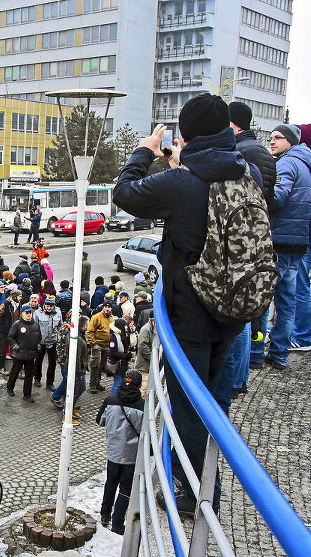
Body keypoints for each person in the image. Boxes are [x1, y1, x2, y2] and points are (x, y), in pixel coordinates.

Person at [112, 93, 264, 516]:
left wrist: (144, 151)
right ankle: (198, 481)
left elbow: (126, 193)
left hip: (194, 311)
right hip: (235, 307)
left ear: (186, 132)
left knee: (189, 406)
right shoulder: (243, 169)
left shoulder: (183, 181)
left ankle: (198, 495)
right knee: (210, 394)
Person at [258, 123, 311, 369]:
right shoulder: (305, 163)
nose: (272, 141)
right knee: (287, 301)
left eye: (277, 138)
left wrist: (260, 191)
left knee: (262, 298)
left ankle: (257, 352)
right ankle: (279, 353)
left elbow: (278, 198)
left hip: (279, 241)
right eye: (270, 137)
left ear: (289, 141)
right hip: (298, 242)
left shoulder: (287, 163)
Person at [97, 369, 145, 535]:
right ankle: (117, 523)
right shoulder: (142, 406)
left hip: (113, 452)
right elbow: (145, 432)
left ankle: (104, 515)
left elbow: (100, 421)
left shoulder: (110, 400)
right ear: (139, 386)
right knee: (125, 489)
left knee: (110, 483)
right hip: (131, 456)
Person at [7, 304, 41, 402]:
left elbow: (39, 337)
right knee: (15, 372)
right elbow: (10, 336)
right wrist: (14, 346)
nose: (29, 315)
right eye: (27, 313)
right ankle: (10, 388)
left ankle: (27, 394)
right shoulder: (17, 324)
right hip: (19, 354)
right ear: (22, 314)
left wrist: (38, 345)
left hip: (31, 355)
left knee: (29, 376)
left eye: (30, 313)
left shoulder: (36, 325)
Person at [33, 295, 61, 390]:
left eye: (51, 306)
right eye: (47, 306)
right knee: (38, 361)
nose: (49, 308)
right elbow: (34, 327)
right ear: (44, 305)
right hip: (41, 341)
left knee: (52, 362)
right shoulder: (37, 313)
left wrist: (57, 335)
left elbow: (60, 325)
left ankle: (50, 383)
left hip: (52, 342)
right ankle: (37, 378)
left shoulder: (58, 312)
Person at [86, 301, 114, 393]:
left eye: (109, 307)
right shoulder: (96, 317)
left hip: (107, 345)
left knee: (102, 365)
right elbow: (89, 331)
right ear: (103, 307)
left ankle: (98, 382)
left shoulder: (112, 318)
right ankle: (92, 384)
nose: (107, 309)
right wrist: (93, 343)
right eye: (106, 307)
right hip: (97, 344)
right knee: (95, 364)